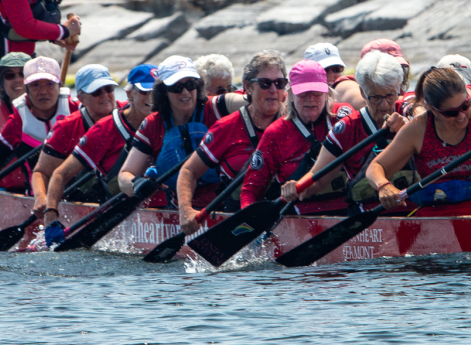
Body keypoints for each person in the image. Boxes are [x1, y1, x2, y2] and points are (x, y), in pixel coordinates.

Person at [365, 67, 471, 217]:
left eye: (465, 106)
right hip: (436, 216)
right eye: (451, 113)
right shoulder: (417, 129)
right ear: (433, 110)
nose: (461, 116)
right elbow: (376, 167)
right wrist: (383, 185)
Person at [280, 51, 409, 214]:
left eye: (390, 96)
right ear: (362, 92)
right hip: (368, 214)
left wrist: (410, 127)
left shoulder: (408, 112)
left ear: (398, 89)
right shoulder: (346, 128)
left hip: (415, 211)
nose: (384, 105)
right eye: (376, 97)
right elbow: (318, 177)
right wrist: (296, 187)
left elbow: (418, 105)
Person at [40, 65, 156, 244]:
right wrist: (50, 215)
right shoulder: (102, 129)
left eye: (108, 89)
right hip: (116, 202)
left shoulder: (168, 119)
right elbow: (59, 174)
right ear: (129, 94)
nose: (151, 98)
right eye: (96, 92)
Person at [175, 51, 288, 234]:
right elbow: (189, 171)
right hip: (237, 220)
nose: (274, 90)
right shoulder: (226, 127)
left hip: (287, 214)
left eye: (280, 83)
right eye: (265, 83)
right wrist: (186, 211)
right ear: (248, 86)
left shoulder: (294, 123)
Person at [239, 60, 354, 214]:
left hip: (348, 210)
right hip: (300, 215)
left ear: (326, 93)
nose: (310, 99)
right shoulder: (276, 133)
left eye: (317, 92)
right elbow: (251, 190)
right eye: (303, 93)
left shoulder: (343, 117)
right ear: (291, 95)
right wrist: (248, 216)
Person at [0, 57, 79, 200]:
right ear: (27, 90)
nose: (43, 91)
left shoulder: (79, 110)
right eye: (35, 85)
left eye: (49, 84)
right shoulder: (17, 121)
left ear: (59, 86)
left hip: (79, 195)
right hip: (36, 199)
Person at [118, 56, 223, 205]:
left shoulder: (217, 108)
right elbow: (124, 177)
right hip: (179, 208)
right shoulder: (153, 124)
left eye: (190, 84)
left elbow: (248, 103)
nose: (185, 92)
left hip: (225, 204)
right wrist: (136, 184)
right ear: (164, 91)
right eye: (176, 87)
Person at [30, 64, 132, 211]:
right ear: (81, 99)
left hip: (125, 193)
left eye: (109, 89)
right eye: (96, 92)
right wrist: (41, 198)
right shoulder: (66, 127)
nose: (105, 95)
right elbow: (42, 172)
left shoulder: (131, 113)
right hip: (82, 197)